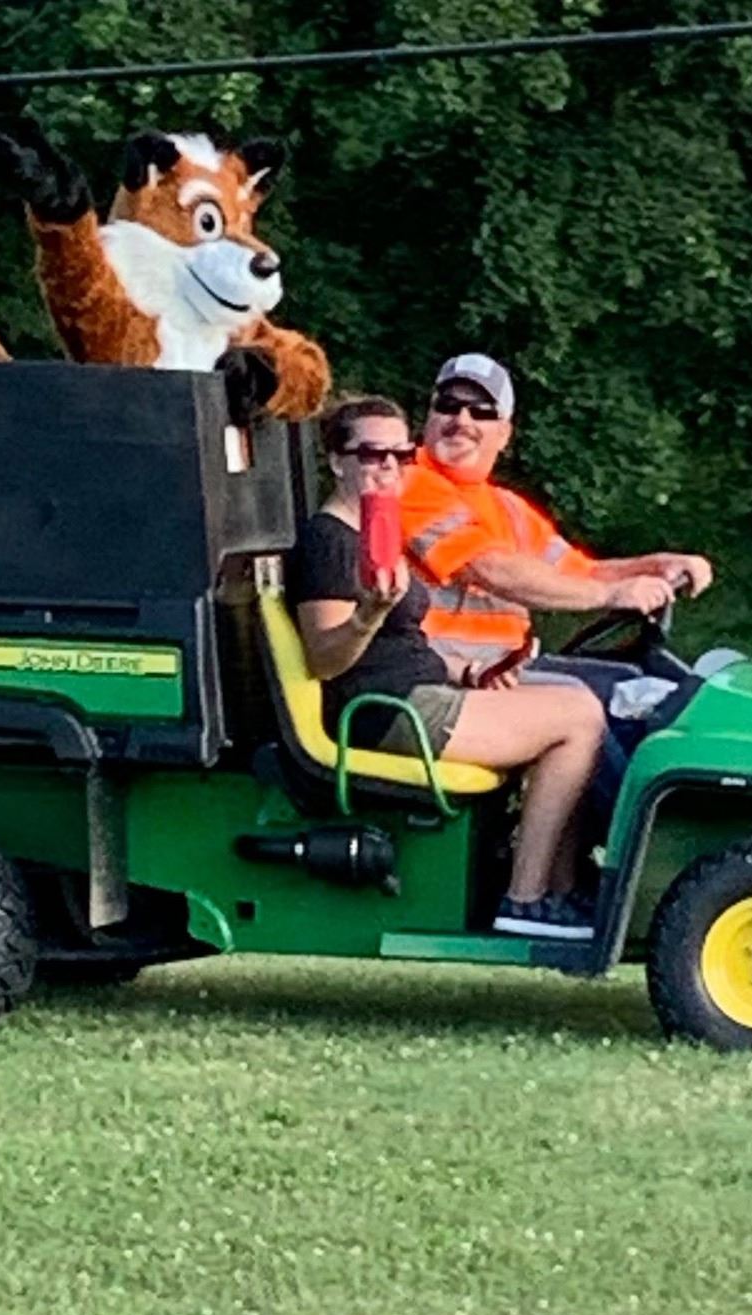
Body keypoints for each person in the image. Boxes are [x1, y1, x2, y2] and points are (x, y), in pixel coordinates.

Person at [284, 395, 608, 940]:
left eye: (400, 455)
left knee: (573, 700)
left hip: (419, 691)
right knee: (577, 717)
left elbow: (407, 644)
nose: (387, 466)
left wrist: (469, 671)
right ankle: (525, 901)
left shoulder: (377, 534)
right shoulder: (329, 542)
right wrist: (368, 614)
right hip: (385, 711)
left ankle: (559, 891)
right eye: (370, 454)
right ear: (337, 460)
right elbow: (326, 659)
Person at [400, 352, 714, 688]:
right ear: (429, 417)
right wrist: (609, 596)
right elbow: (490, 568)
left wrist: (654, 566)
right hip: (437, 682)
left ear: (504, 434)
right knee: (594, 708)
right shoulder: (407, 481)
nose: (462, 420)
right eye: (448, 405)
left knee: (645, 689)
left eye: (482, 412)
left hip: (501, 674)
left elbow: (580, 572)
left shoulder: (507, 507)